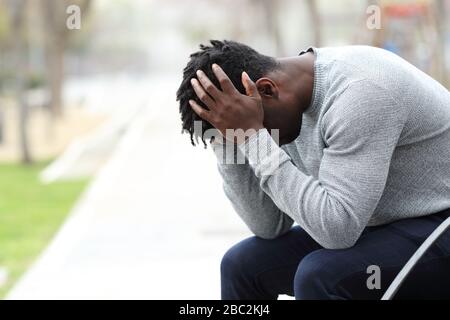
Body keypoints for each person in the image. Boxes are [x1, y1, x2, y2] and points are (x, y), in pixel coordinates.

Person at [176, 40, 450, 299]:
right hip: (372, 222)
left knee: (320, 275)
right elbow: (269, 226)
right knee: (241, 265)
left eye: (251, 132)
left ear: (267, 89)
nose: (261, 141)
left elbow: (338, 230)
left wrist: (253, 137)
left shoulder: (360, 92)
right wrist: (227, 140)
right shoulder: (273, 106)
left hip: (439, 223)